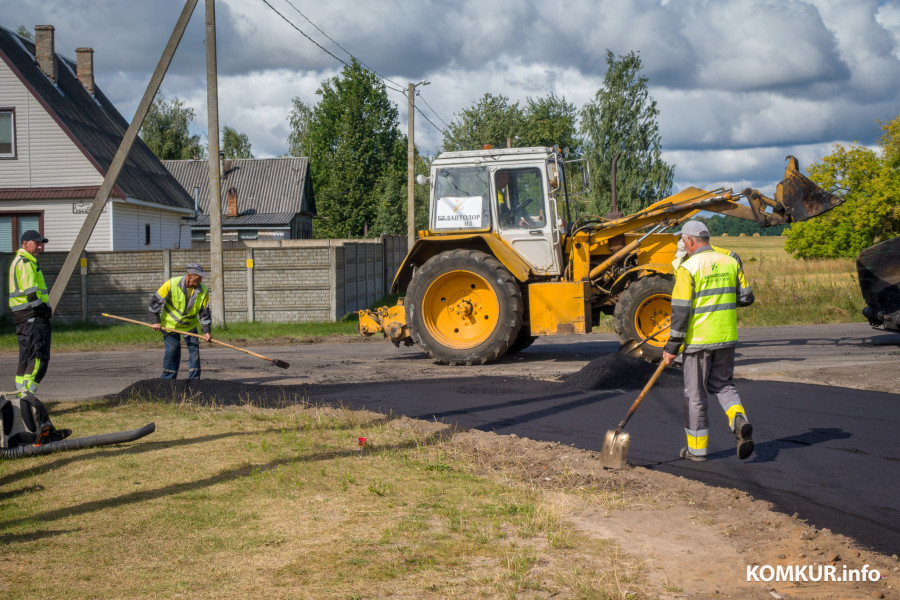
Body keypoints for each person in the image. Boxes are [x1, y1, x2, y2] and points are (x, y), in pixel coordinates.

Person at [662, 220, 755, 462]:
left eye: (683, 240)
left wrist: (671, 348)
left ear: (691, 241)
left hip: (699, 341)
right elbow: (746, 298)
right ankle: (738, 420)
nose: (683, 244)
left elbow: (681, 312)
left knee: (695, 395)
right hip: (726, 338)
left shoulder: (689, 268)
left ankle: (697, 450)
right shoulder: (730, 260)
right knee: (723, 385)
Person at [148, 263, 212, 379]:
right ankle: (168, 379)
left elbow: (204, 313)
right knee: (172, 351)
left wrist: (206, 331)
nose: (200, 281)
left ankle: (194, 380)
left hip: (189, 326)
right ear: (189, 276)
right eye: (198, 278)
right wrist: (155, 321)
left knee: (194, 352)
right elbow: (154, 303)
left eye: (201, 278)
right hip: (170, 325)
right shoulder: (171, 284)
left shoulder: (203, 290)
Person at [8, 230, 53, 396]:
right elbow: (32, 293)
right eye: (36, 243)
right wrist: (44, 310)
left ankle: (19, 397)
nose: (40, 247)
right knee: (38, 359)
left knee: (25, 359)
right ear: (24, 243)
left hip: (22, 318)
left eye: (41, 244)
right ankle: (27, 398)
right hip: (33, 317)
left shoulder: (18, 261)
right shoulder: (26, 263)